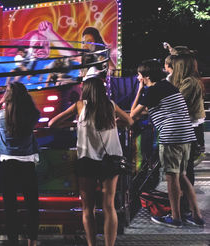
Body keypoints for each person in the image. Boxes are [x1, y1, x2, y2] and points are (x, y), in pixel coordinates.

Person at [49, 77, 133, 246]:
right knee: (109, 206)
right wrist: (116, 123)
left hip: (87, 160)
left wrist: (75, 123)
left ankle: (91, 244)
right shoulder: (111, 105)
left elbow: (52, 123)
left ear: (86, 90)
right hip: (111, 160)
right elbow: (130, 121)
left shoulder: (80, 106)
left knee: (88, 208)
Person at [130, 59, 204, 228]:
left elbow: (132, 115)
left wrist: (140, 90)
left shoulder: (151, 91)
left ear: (145, 76)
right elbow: (153, 108)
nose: (138, 77)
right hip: (187, 135)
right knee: (183, 176)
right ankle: (196, 216)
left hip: (172, 137)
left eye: (139, 75)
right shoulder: (169, 88)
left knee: (171, 178)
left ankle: (175, 217)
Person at [0, 82, 40, 246]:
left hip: (7, 163)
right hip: (28, 162)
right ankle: (32, 241)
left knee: (10, 207)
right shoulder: (31, 114)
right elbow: (36, 113)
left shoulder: (1, 115)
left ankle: (13, 241)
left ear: (7, 97)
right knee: (32, 205)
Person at [170, 53, 206, 218]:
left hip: (187, 130)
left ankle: (187, 210)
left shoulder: (190, 83)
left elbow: (176, 103)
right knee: (184, 171)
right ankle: (188, 210)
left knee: (184, 172)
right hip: (188, 129)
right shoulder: (189, 82)